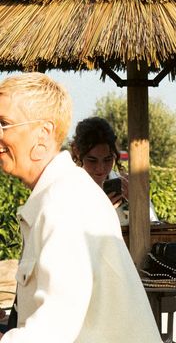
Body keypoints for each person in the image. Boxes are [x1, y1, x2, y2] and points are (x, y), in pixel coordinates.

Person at [0, 72, 161, 342]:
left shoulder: (63, 202)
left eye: (4, 124)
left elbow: (54, 326)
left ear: (43, 133)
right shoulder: (61, 193)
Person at [70, 116, 159, 224]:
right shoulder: (69, 189)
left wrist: (138, 202)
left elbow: (155, 225)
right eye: (92, 160)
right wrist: (100, 212)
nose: (100, 168)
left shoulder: (126, 187)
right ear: (79, 154)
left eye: (107, 159)